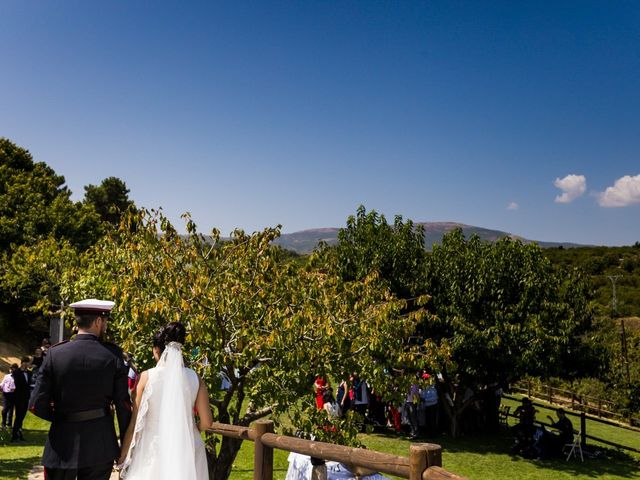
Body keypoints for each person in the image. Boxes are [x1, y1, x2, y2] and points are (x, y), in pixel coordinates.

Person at [29, 298, 132, 480]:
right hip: (100, 445)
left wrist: (62, 417)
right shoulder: (113, 355)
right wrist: (125, 445)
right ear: (99, 321)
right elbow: (123, 406)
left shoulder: (55, 353)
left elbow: (36, 404)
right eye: (105, 321)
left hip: (61, 445)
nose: (105, 326)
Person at [118, 322, 213, 479]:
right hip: (188, 447)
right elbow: (207, 422)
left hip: (155, 449)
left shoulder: (146, 377)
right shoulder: (195, 377)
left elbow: (135, 423)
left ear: (156, 350)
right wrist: (191, 428)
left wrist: (123, 454)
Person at [11, 356, 32, 442]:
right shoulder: (16, 372)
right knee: (18, 416)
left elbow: (29, 385)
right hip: (18, 398)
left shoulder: (30, 373)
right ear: (22, 363)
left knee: (22, 416)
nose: (27, 364)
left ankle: (19, 434)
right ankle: (14, 435)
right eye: (26, 362)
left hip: (26, 397)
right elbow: (17, 383)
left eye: (28, 362)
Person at [1, 364, 17, 429]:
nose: (11, 370)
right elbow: (2, 383)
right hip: (6, 394)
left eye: (12, 369)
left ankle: (9, 424)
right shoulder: (6, 376)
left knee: (11, 409)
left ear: (16, 369)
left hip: (13, 395)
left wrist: (15, 388)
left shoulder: (18, 377)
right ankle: (3, 423)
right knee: (4, 410)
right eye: (10, 369)